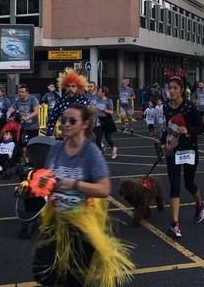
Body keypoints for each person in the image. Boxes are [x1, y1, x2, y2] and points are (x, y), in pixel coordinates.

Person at [32, 104, 133, 286]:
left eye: (72, 121)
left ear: (85, 124)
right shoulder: (56, 148)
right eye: (64, 121)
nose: (66, 124)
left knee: (75, 277)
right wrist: (43, 183)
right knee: (41, 270)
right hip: (57, 218)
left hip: (81, 222)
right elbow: (48, 176)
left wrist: (76, 184)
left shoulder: (90, 152)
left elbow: (104, 189)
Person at [160, 77, 204, 239]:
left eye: (174, 88)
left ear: (181, 90)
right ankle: (174, 224)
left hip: (189, 149)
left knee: (188, 183)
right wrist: (162, 142)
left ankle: (200, 204)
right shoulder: (166, 107)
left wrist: (187, 129)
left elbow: (201, 127)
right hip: (173, 150)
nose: (171, 91)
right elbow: (167, 128)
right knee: (174, 185)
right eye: (169, 88)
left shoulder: (189, 107)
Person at [44, 68, 92, 137]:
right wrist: (49, 135)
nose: (70, 89)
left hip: (81, 138)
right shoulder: (60, 101)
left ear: (78, 87)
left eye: (73, 86)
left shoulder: (84, 101)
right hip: (66, 137)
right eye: (68, 86)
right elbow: (52, 119)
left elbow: (89, 121)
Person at [7, 84, 40, 157]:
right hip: (23, 127)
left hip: (33, 127)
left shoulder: (33, 100)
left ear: (27, 93)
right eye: (19, 92)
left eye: (22, 92)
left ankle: (33, 162)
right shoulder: (18, 100)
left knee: (32, 146)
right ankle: (26, 163)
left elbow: (36, 111)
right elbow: (11, 109)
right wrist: (8, 115)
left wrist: (28, 117)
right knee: (23, 146)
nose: (20, 94)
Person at [94, 86, 118, 159]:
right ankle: (99, 152)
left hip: (107, 120)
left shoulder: (108, 100)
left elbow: (111, 112)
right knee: (98, 137)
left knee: (108, 138)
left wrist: (104, 110)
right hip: (98, 120)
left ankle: (114, 148)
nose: (98, 92)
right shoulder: (97, 100)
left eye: (99, 91)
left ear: (103, 93)